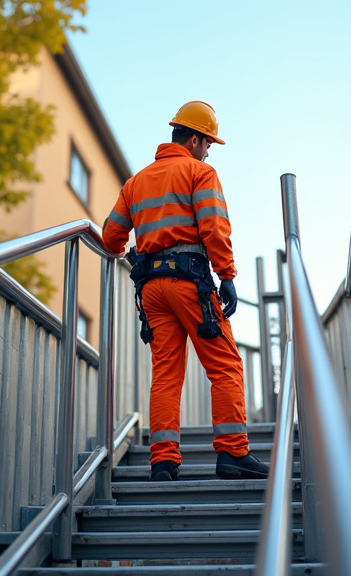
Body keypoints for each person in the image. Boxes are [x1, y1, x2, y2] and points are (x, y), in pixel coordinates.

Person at [102, 100, 269, 482]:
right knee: (225, 365)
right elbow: (214, 226)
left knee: (166, 374)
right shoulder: (200, 172)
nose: (209, 151)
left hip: (151, 291)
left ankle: (163, 461)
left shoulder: (135, 182)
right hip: (190, 283)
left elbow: (111, 238)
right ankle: (233, 453)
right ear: (194, 139)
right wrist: (226, 274)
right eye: (208, 142)